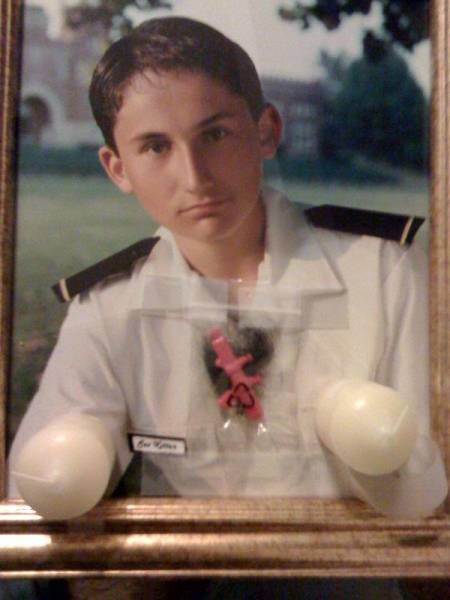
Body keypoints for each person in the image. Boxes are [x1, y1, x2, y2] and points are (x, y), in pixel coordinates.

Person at [8, 17, 447, 517]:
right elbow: (34, 480)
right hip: (188, 560)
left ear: (266, 131)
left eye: (214, 134)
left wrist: (376, 439)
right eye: (156, 147)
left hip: (346, 555)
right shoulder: (109, 306)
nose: (194, 177)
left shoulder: (383, 271)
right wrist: (79, 449)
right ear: (118, 168)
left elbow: (427, 487)